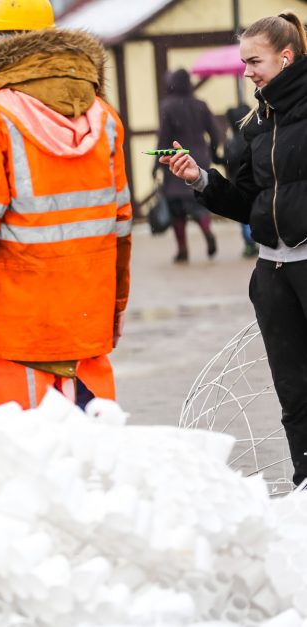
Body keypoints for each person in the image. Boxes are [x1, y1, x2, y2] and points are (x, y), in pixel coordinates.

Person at [0, 0, 133, 411]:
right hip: (85, 325)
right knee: (93, 459)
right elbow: (121, 224)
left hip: (17, 332)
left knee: (23, 461)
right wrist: (115, 307)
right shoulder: (103, 116)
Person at [161, 12, 307, 487]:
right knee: (293, 393)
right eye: (243, 62)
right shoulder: (253, 125)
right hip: (273, 276)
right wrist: (200, 180)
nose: (247, 72)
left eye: (254, 61)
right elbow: (248, 205)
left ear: (286, 58)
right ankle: (306, 482)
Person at [154, 68, 221, 263]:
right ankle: (208, 231)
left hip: (177, 160)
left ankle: (182, 249)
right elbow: (215, 134)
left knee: (177, 209)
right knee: (199, 202)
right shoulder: (200, 105)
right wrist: (214, 153)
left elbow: (163, 138)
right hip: (199, 159)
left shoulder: (167, 106)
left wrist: (156, 165)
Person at [223, 104, 258, 258]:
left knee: (245, 216)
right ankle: (252, 241)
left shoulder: (232, 143)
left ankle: (250, 242)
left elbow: (226, 162)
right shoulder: (254, 137)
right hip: (257, 181)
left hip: (239, 184)